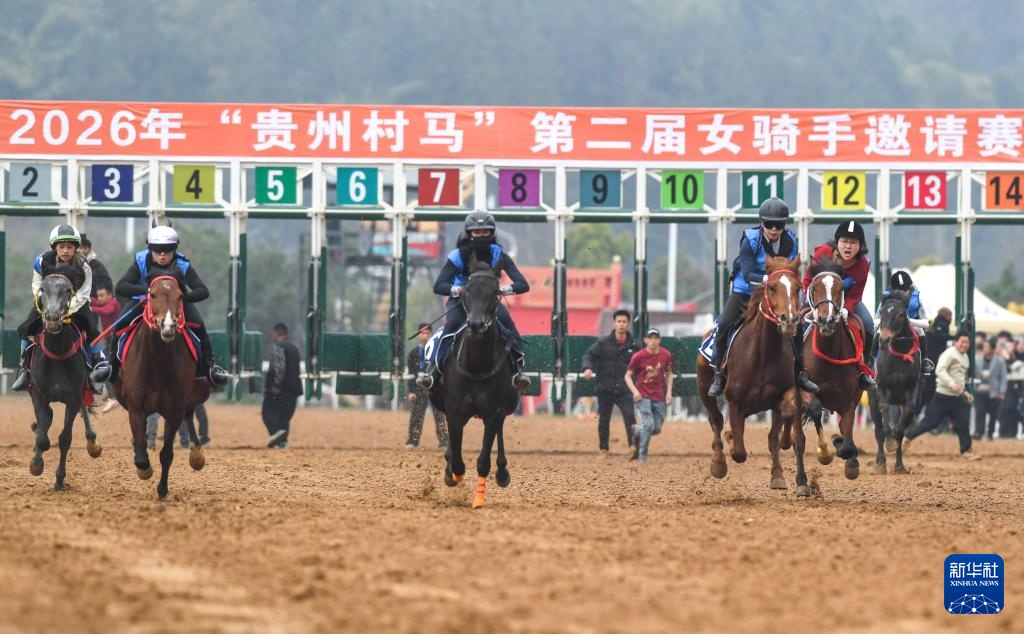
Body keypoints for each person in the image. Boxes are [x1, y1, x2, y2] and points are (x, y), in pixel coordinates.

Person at [708, 197, 818, 397]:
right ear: (761, 223)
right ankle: (719, 373)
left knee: (796, 322)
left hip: (777, 291)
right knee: (724, 323)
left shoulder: (791, 240)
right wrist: (770, 279)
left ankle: (800, 373)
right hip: (746, 289)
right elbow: (748, 273)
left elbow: (791, 269)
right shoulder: (750, 240)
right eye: (769, 224)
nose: (774, 229)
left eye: (779, 225)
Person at [416, 210, 531, 391]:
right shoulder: (457, 256)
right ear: (470, 234)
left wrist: (503, 290)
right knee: (452, 324)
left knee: (507, 322)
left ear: (491, 233)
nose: (481, 236)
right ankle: (432, 372)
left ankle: (519, 370)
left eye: (485, 232)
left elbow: (522, 284)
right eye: (477, 232)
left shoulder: (499, 255)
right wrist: (457, 290)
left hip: (487, 301)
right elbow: (439, 285)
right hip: (461, 300)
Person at [108, 223, 230, 386]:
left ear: (175, 249)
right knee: (120, 325)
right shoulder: (141, 260)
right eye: (158, 250)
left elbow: (202, 290)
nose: (163, 254)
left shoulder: (182, 264)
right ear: (150, 249)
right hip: (144, 301)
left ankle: (210, 367)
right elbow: (121, 286)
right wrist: (149, 293)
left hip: (175, 303)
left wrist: (180, 298)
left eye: (168, 250)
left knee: (200, 325)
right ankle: (112, 366)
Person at [11, 224, 110, 392]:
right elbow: (37, 286)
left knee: (91, 328)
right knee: (27, 326)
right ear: (55, 247)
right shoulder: (41, 261)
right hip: (47, 302)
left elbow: (84, 293)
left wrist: (65, 309)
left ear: (75, 248)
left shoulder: (83, 265)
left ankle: (97, 364)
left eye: (70, 247)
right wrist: (47, 305)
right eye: (62, 246)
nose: (65, 251)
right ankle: (23, 369)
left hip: (76, 304)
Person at [803, 220, 876, 389]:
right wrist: (813, 305)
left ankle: (864, 370)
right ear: (837, 242)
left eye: (853, 242)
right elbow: (807, 281)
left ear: (860, 246)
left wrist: (845, 309)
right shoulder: (823, 252)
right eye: (844, 241)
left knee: (868, 324)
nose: (848, 246)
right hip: (816, 298)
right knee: (795, 320)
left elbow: (856, 294)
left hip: (846, 301)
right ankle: (793, 364)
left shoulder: (863, 265)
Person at [904, 332, 979, 460]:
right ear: (955, 342)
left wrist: (964, 392)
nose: (965, 344)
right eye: (962, 341)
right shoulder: (949, 354)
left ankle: (966, 451)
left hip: (957, 398)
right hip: (943, 396)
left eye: (967, 342)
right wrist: (951, 383)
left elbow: (960, 378)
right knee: (930, 423)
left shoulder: (965, 357)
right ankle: (907, 437)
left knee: (962, 423)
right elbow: (940, 370)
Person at [581, 309, 641, 454]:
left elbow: (642, 364)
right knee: (604, 419)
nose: (621, 324)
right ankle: (604, 449)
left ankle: (633, 447)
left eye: (624, 322)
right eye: (619, 321)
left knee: (630, 416)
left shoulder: (634, 346)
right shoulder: (603, 342)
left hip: (625, 389)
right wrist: (587, 368)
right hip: (605, 387)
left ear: (628, 324)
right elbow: (589, 355)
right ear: (614, 323)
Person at [624, 328, 673, 464]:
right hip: (642, 395)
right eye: (650, 338)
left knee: (656, 428)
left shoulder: (666, 355)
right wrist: (635, 392)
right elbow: (627, 375)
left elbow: (669, 374)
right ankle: (642, 455)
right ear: (645, 340)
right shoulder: (638, 356)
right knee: (649, 425)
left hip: (659, 396)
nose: (653, 341)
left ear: (659, 340)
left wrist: (669, 392)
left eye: (656, 338)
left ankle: (637, 430)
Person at [874, 270, 935, 375]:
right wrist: (887, 321)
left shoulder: (918, 299)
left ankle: (925, 360)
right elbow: (875, 321)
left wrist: (909, 321)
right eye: (898, 291)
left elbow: (926, 323)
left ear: (910, 288)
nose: (902, 294)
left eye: (905, 290)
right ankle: (871, 358)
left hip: (912, 326)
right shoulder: (886, 299)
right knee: (879, 331)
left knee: (920, 330)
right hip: (891, 327)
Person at [405, 323, 449, 449]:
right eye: (422, 333)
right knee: (416, 414)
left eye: (427, 333)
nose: (425, 336)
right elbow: (411, 374)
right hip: (419, 388)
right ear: (419, 335)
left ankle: (444, 441)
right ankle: (412, 441)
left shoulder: (437, 351)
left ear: (431, 334)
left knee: (439, 414)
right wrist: (411, 391)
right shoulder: (414, 353)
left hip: (434, 387)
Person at [263, 323, 302, 448]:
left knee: (267, 412)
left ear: (276, 332)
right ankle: (283, 442)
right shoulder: (294, 348)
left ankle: (277, 433)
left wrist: (276, 385)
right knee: (284, 417)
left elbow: (280, 368)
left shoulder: (280, 347)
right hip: (293, 390)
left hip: (280, 390)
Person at [973, 338, 1006, 440]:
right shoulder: (978, 360)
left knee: (993, 414)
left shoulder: (1000, 361)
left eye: (987, 347)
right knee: (979, 412)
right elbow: (974, 374)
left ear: (993, 349)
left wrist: (1002, 392)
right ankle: (979, 432)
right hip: (980, 391)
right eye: (984, 346)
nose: (984, 348)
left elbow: (1003, 377)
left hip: (994, 392)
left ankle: (990, 433)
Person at [922, 307, 954, 408]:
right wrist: (953, 338)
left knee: (927, 383)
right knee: (933, 384)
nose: (951, 319)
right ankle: (930, 406)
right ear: (947, 316)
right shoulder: (942, 324)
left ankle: (925, 406)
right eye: (950, 316)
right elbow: (938, 335)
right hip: (935, 357)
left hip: (927, 357)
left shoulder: (932, 322)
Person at [79, 233, 112, 298]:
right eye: (80, 248)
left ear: (90, 249)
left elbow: (104, 282)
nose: (82, 251)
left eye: (85, 248)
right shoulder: (73, 264)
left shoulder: (96, 265)